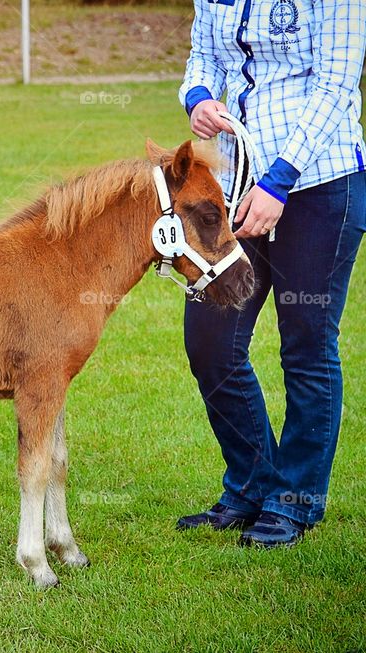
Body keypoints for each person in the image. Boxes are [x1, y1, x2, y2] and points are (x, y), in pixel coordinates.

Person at [176, 0, 366, 547]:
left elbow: (334, 87)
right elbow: (202, 58)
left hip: (319, 188)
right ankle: (253, 484)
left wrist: (280, 180)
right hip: (240, 187)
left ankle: (295, 500)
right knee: (210, 341)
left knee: (306, 347)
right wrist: (199, 99)